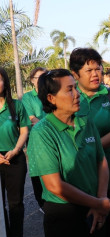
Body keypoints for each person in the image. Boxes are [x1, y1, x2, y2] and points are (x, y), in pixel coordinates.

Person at [27, 69, 110, 237]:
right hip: (64, 215)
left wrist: (101, 198)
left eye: (75, 88)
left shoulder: (85, 122)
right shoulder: (42, 132)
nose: (77, 94)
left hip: (94, 209)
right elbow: (54, 186)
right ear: (51, 98)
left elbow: (101, 161)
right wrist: (98, 203)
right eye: (69, 90)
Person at [69, 48, 110, 237]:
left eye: (98, 69)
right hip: (83, 181)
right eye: (89, 70)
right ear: (75, 74)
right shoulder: (69, 97)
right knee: (89, 236)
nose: (96, 74)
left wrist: (93, 147)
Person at [0, 67, 31, 237]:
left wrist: (16, 150)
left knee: (16, 202)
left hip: (15, 157)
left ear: (5, 82)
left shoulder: (16, 106)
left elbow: (24, 130)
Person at [22, 67, 47, 212]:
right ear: (32, 80)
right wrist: (51, 127)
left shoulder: (52, 92)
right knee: (37, 170)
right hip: (35, 138)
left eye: (45, 76)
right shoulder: (27, 97)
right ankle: (41, 202)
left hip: (53, 135)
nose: (43, 79)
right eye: (39, 77)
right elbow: (32, 118)